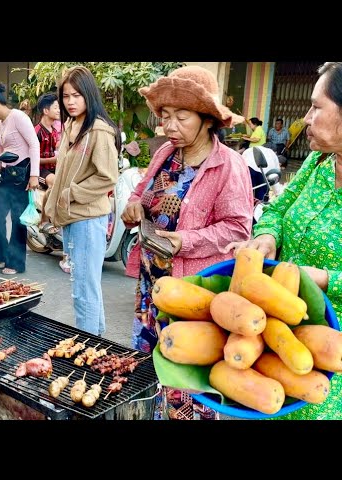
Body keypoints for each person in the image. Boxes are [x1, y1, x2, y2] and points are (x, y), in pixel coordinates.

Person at [120, 65, 254, 420]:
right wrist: (134, 206)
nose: (170, 126)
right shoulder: (166, 153)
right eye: (166, 116)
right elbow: (141, 192)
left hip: (191, 295)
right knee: (149, 373)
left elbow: (239, 229)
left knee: (187, 385)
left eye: (182, 117)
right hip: (152, 288)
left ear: (208, 119)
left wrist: (185, 242)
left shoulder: (229, 166)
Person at [226, 61, 342, 420]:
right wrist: (266, 237)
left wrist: (322, 278)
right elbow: (277, 210)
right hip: (276, 331)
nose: (306, 118)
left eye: (316, 107)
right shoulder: (318, 163)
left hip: (329, 355)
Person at [43, 65, 121, 336]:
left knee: (83, 290)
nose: (71, 101)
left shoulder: (98, 130)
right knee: (86, 287)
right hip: (72, 217)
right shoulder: (70, 125)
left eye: (77, 95)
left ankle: (88, 347)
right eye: (66, 96)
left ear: (89, 95)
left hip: (87, 219)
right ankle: (96, 343)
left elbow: (108, 177)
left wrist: (70, 194)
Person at [0, 83, 40, 275]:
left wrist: (34, 176)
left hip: (23, 174)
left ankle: (15, 262)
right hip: (6, 175)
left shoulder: (18, 117)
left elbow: (34, 144)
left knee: (17, 219)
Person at [33, 92, 68, 273]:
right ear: (46, 110)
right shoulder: (37, 131)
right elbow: (34, 159)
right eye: (55, 107)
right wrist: (54, 159)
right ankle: (43, 220)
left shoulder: (55, 131)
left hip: (54, 168)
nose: (59, 110)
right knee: (55, 184)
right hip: (41, 171)